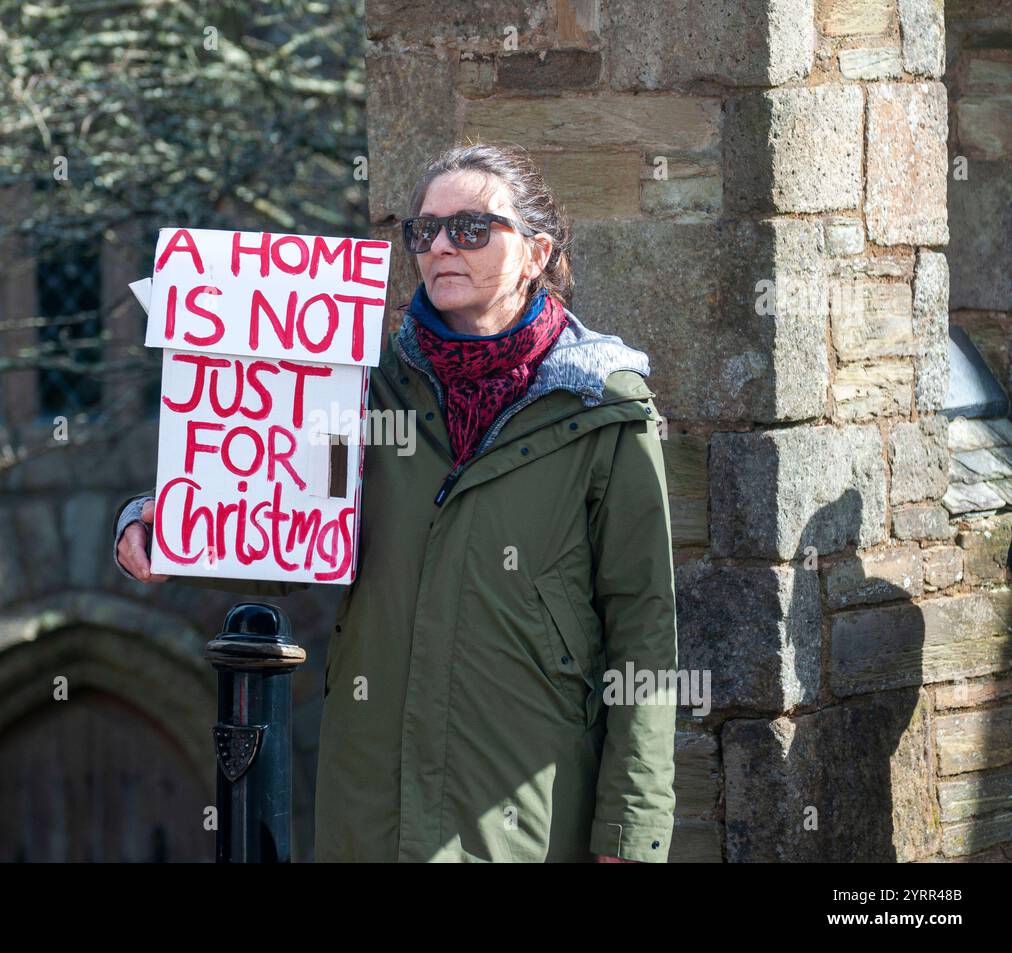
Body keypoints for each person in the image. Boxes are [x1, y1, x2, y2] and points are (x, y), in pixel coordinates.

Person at [115, 142, 678, 863]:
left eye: (471, 228)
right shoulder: (359, 389)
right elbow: (281, 522)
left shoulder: (605, 407)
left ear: (536, 253)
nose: (442, 244)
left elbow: (645, 630)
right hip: (372, 788)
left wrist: (631, 830)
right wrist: (161, 524)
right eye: (425, 230)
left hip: (526, 799)